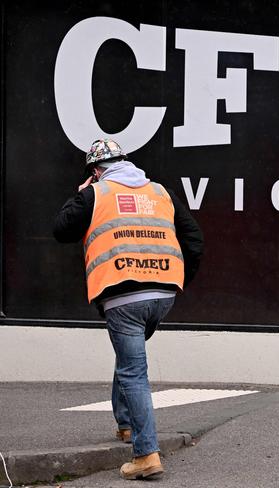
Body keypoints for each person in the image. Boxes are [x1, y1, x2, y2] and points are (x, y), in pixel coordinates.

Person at [53, 139, 203, 480]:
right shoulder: (159, 192)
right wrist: (175, 281)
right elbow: (194, 239)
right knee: (129, 358)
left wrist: (80, 194)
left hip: (123, 297)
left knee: (134, 371)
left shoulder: (95, 194)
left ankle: (146, 454)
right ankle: (125, 423)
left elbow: (61, 230)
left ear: (95, 171)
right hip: (162, 295)